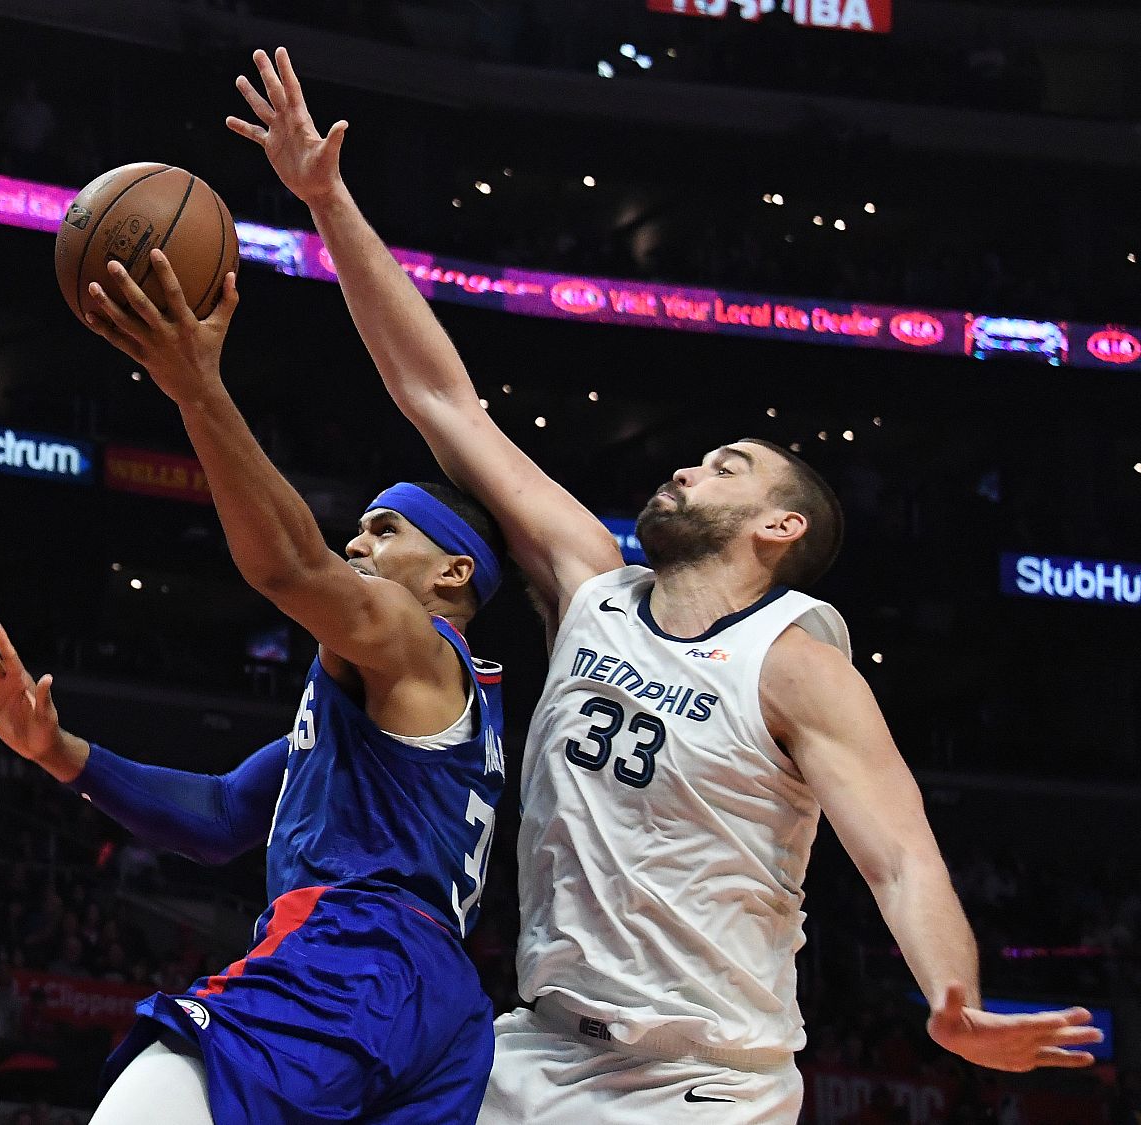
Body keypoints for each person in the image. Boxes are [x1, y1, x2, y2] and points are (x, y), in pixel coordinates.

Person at [227, 45, 1104, 1122]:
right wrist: (327, 202)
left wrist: (951, 1000)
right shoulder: (591, 585)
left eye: (726, 468)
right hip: (537, 1051)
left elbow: (899, 856)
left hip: (705, 1082)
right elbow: (440, 399)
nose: (689, 468)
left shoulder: (795, 661)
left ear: (778, 527)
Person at [0, 264, 508, 1122]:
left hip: (357, 953)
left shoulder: (415, 643)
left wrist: (197, 390)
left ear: (454, 570)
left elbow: (289, 565)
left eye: (383, 531)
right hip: (442, 1011)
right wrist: (59, 752)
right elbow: (216, 816)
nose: (357, 545)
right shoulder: (388, 740)